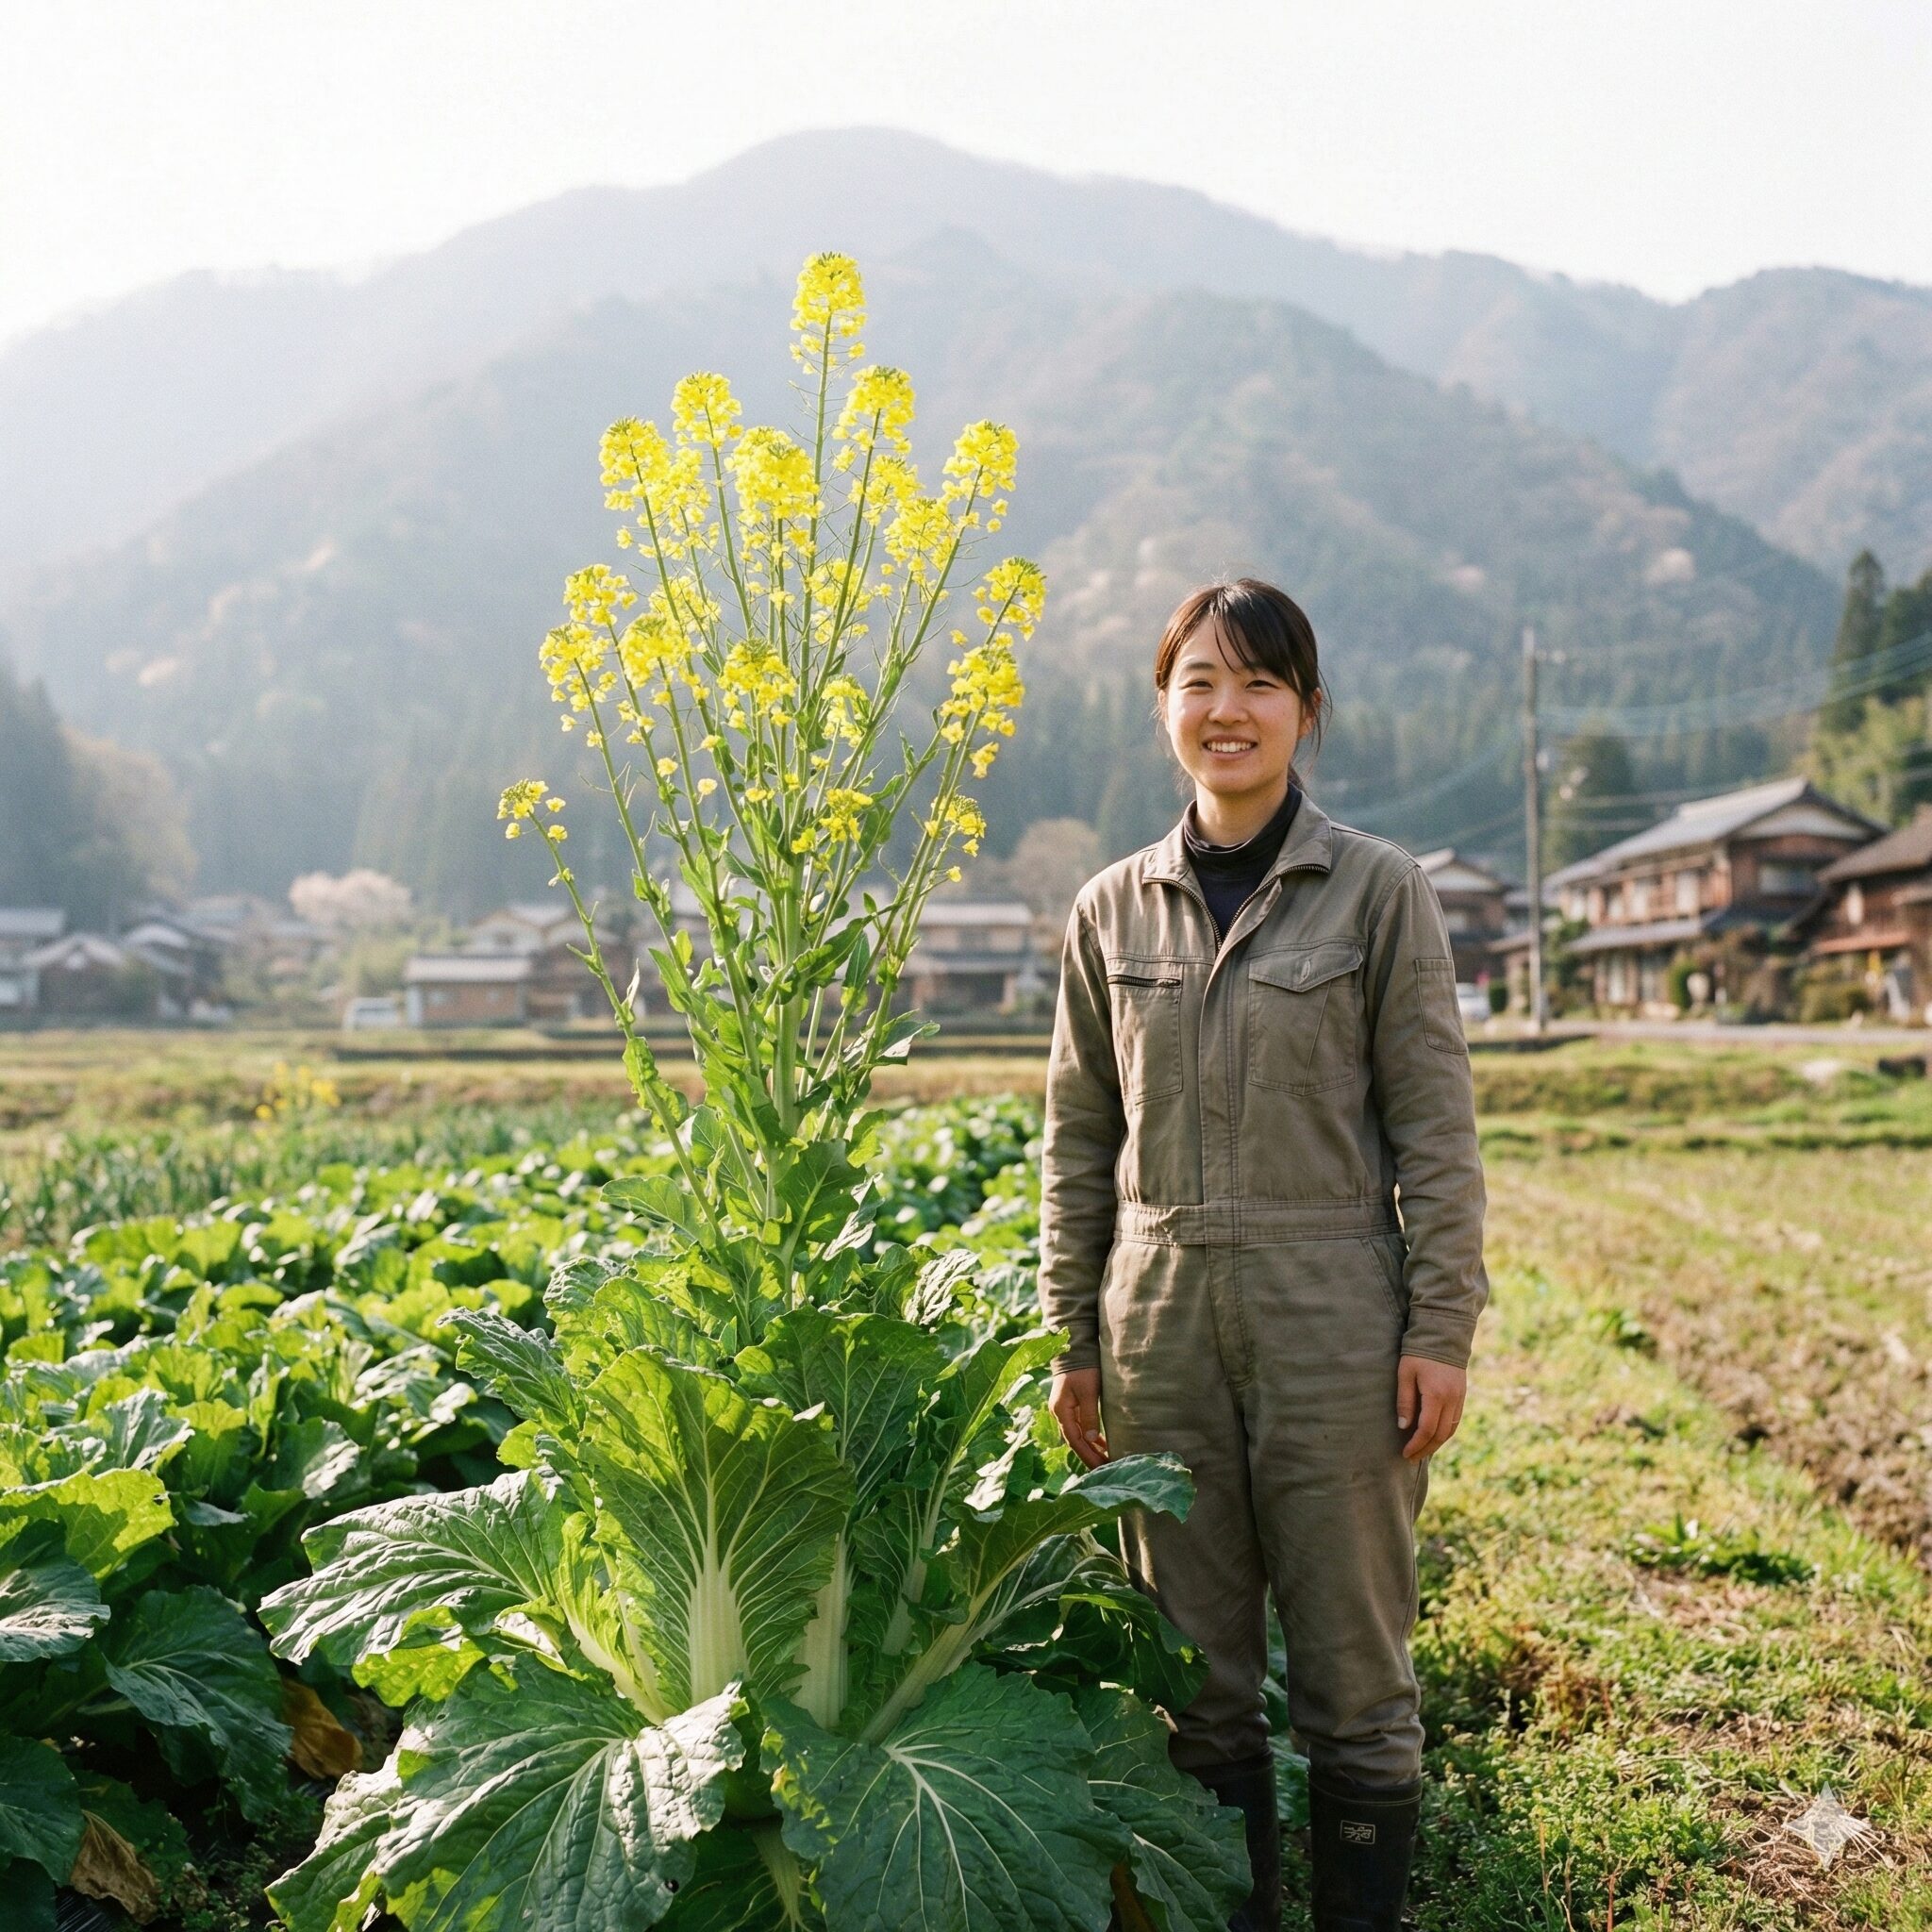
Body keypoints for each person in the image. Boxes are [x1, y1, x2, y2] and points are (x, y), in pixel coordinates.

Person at [1038, 578, 1490, 1932]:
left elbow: (1437, 1132)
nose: (1226, 711)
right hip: (1157, 1320)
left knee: (1357, 1675)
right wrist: (1070, 1333)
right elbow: (1076, 1142)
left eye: (1258, 685)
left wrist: (1442, 1328)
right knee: (1197, 1677)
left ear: (1305, 710)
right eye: (1200, 684)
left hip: (1335, 1313)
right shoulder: (1109, 912)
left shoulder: (1378, 894)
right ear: (1164, 706)